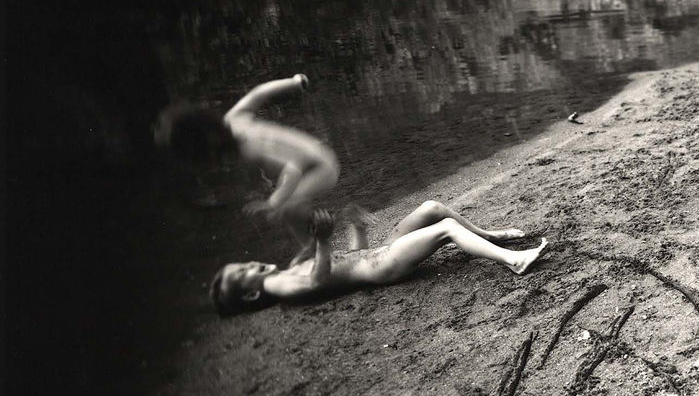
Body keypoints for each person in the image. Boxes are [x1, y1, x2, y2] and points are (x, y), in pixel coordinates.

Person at [210, 200, 547, 317]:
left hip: (373, 255)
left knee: (432, 208)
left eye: (242, 263)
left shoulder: (283, 274)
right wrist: (324, 242)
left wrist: (356, 228)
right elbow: (318, 280)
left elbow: (350, 258)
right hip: (383, 265)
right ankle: (512, 260)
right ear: (252, 293)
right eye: (244, 272)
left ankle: (489, 236)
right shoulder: (278, 284)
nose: (250, 264)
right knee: (444, 227)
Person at [156, 73, 339, 262]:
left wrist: (273, 202)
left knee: (286, 206)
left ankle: (318, 250)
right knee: (289, 206)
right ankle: (311, 247)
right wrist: (294, 82)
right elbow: (258, 93)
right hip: (316, 151)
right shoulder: (233, 118)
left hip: (321, 169)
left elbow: (292, 169)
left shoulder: (248, 150)